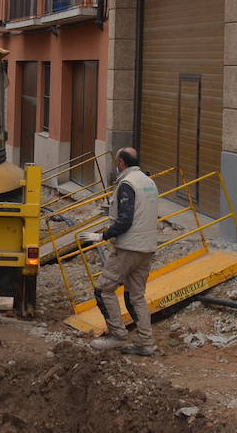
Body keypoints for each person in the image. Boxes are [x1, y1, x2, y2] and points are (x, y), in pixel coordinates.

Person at [79, 147, 159, 356]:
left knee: (104, 289)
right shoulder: (148, 182)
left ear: (122, 163)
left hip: (128, 248)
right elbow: (140, 211)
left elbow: (126, 220)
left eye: (117, 163)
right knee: (136, 295)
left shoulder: (127, 184)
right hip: (147, 247)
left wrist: (103, 235)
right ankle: (145, 342)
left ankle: (117, 335)